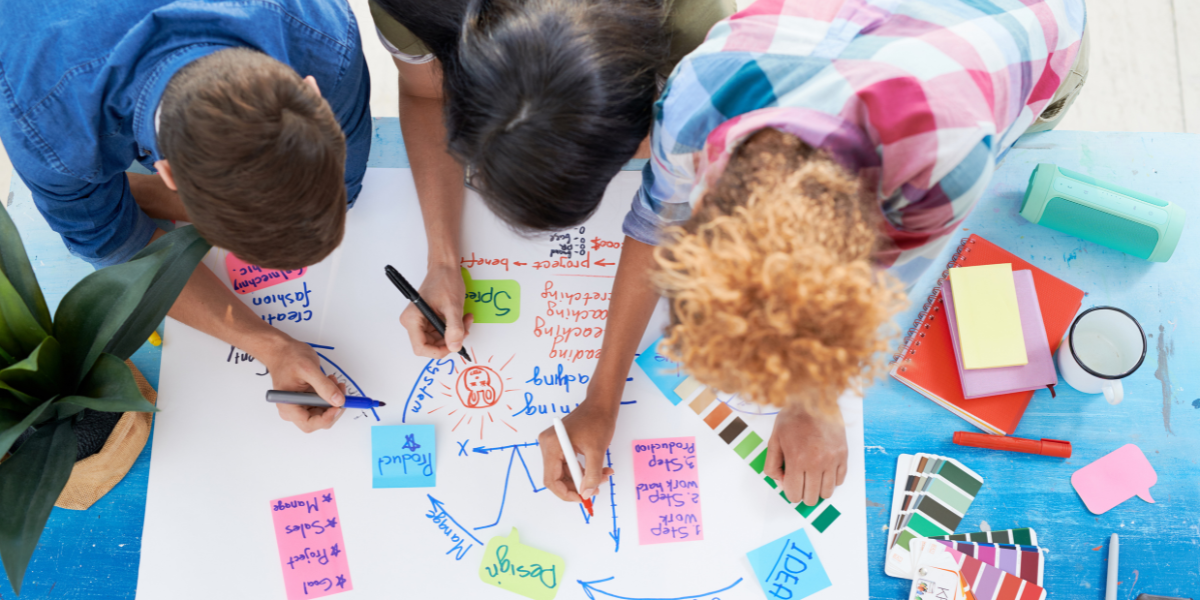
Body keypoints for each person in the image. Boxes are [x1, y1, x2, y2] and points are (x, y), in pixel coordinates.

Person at [538, 0, 1089, 506]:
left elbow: (875, 296)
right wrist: (600, 400)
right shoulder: (697, 94)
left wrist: (815, 406)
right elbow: (655, 226)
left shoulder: (943, 171)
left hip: (1023, 32)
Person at [0, 0, 372, 432]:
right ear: (168, 173)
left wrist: (276, 347)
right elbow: (116, 244)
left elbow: (340, 188)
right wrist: (268, 344)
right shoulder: (44, 125)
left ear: (311, 93)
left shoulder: (324, 35)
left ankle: (113, 195)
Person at [366, 0, 734, 360]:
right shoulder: (411, 7)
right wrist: (442, 262)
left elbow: (686, 142)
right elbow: (427, 94)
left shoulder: (701, 28)